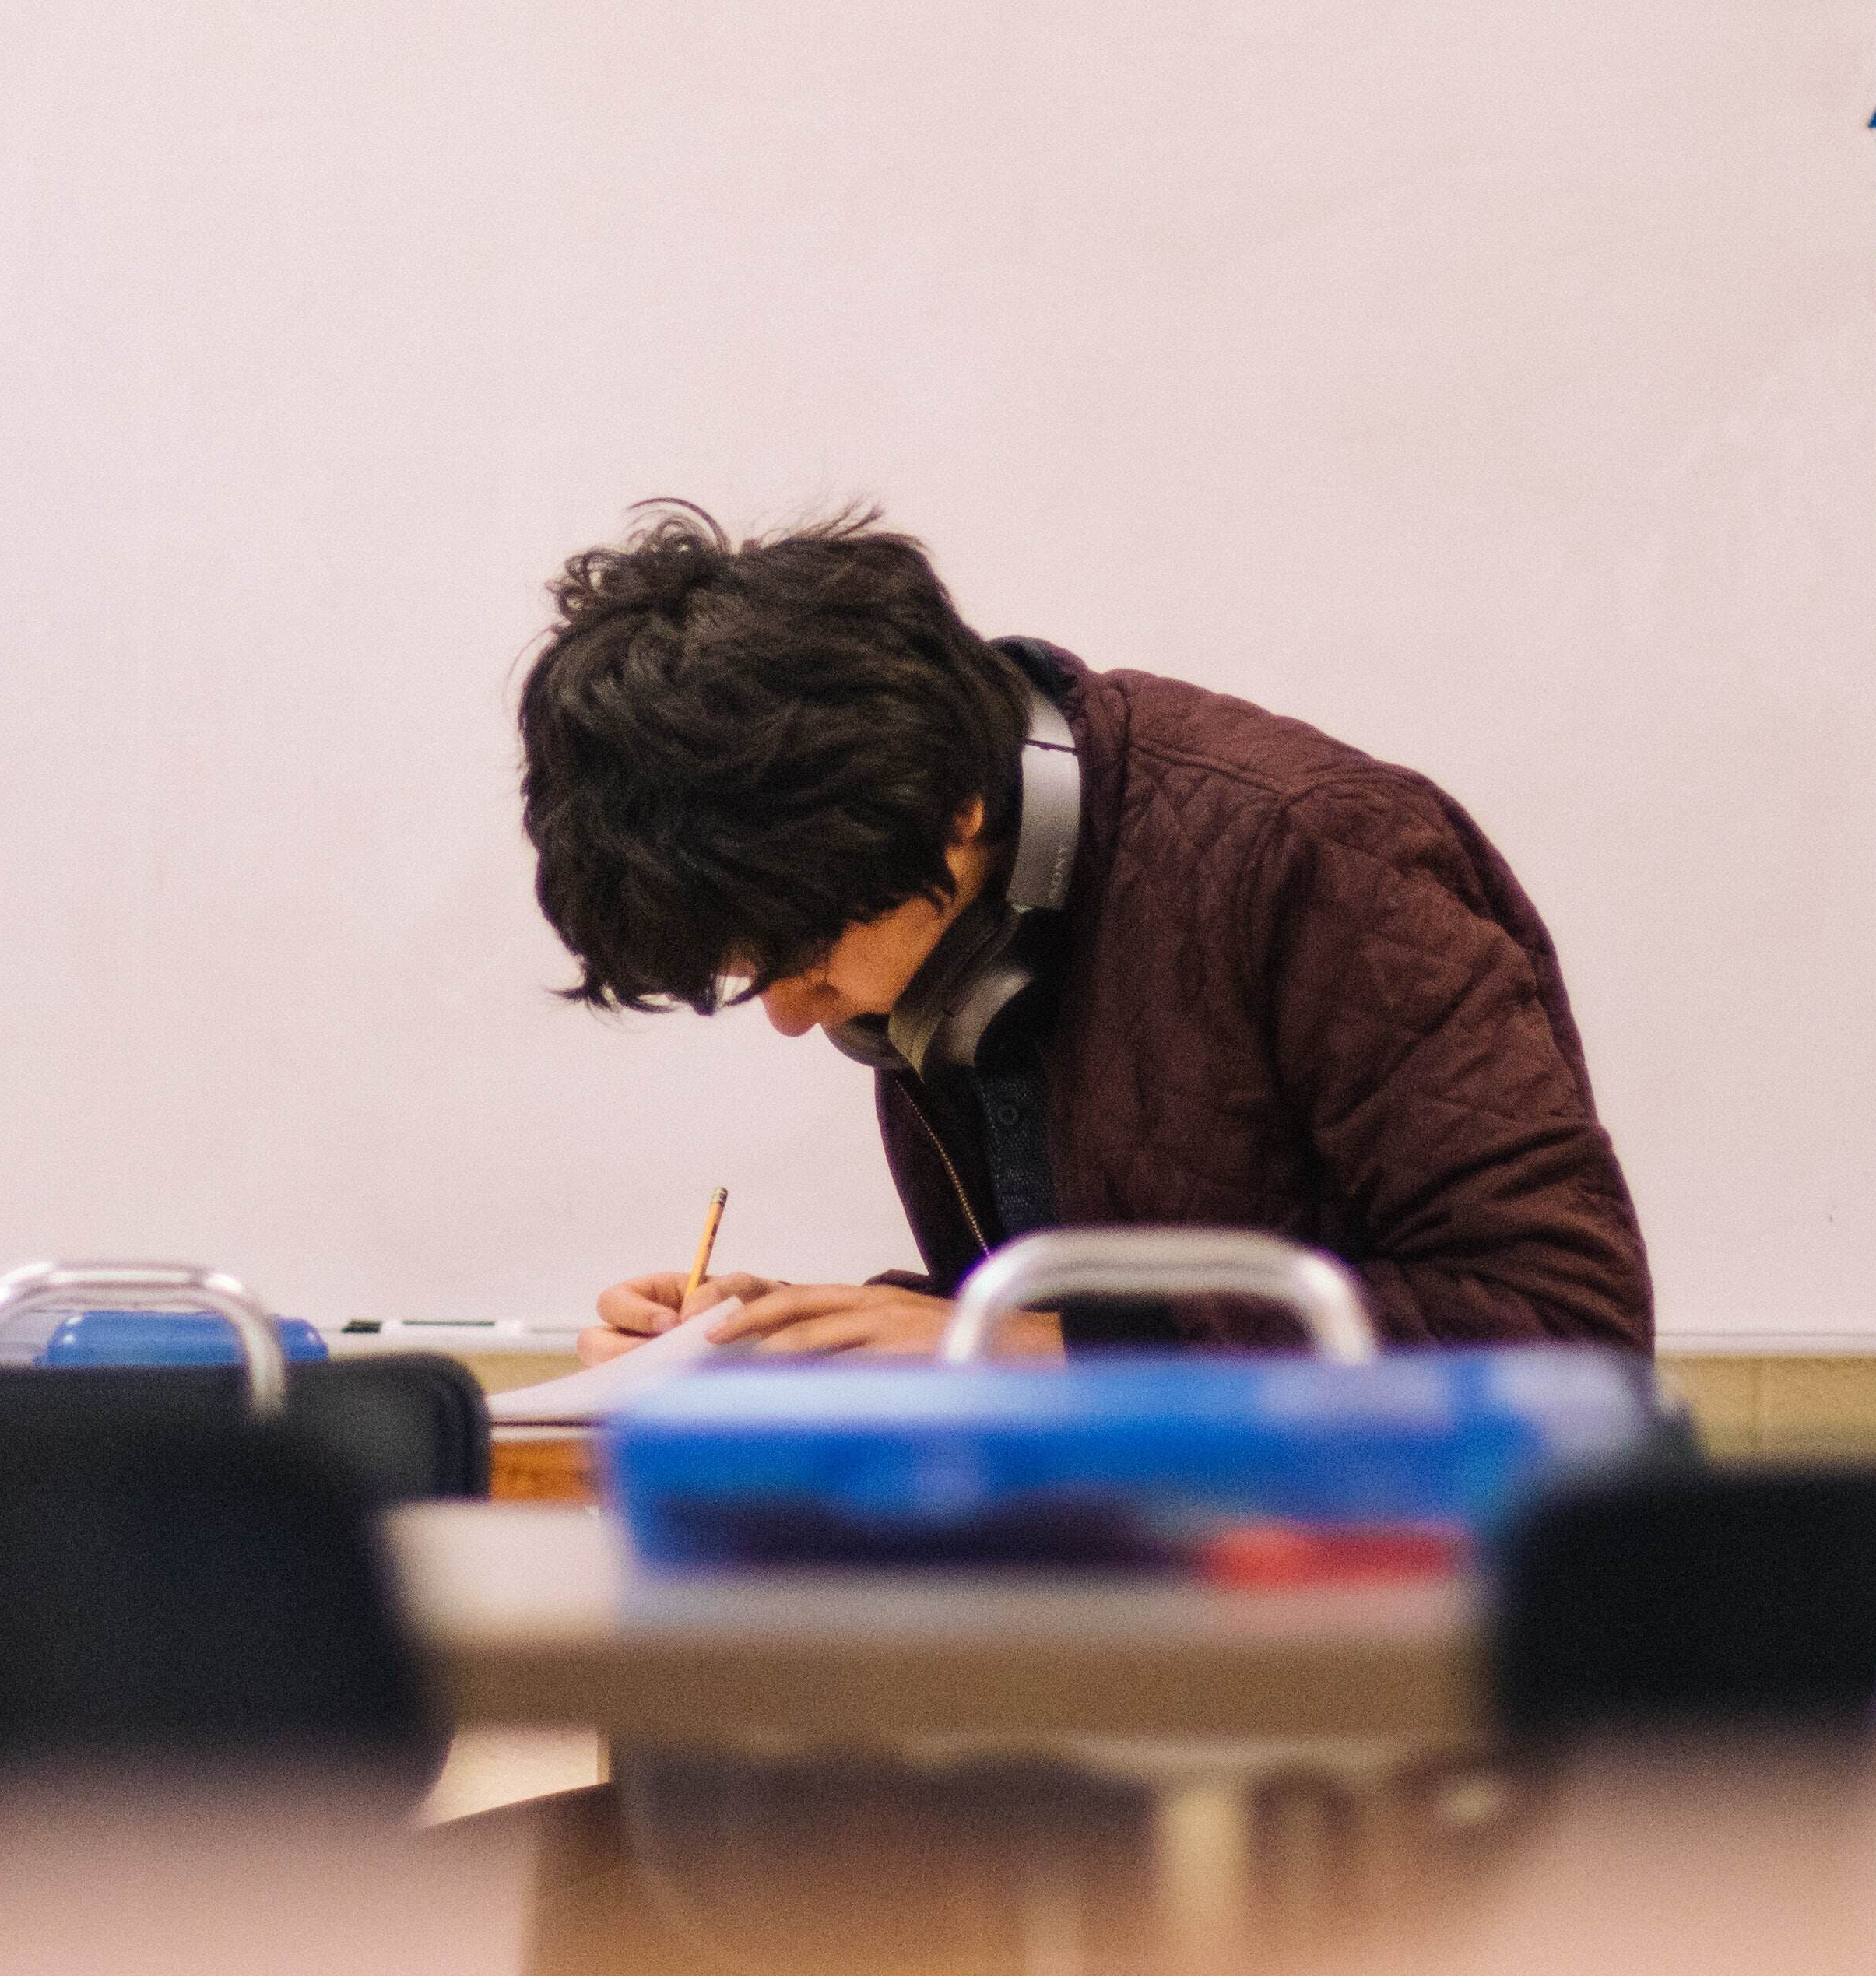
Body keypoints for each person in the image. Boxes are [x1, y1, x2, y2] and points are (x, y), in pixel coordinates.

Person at [515, 504, 1649, 1363]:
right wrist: (791, 1346)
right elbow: (1084, 1303)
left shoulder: (1313, 849)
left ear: (950, 813)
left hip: (1387, 1617)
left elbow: (1564, 1322)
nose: (789, 1016)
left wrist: (1029, 1351)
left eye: (800, 959)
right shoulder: (956, 933)